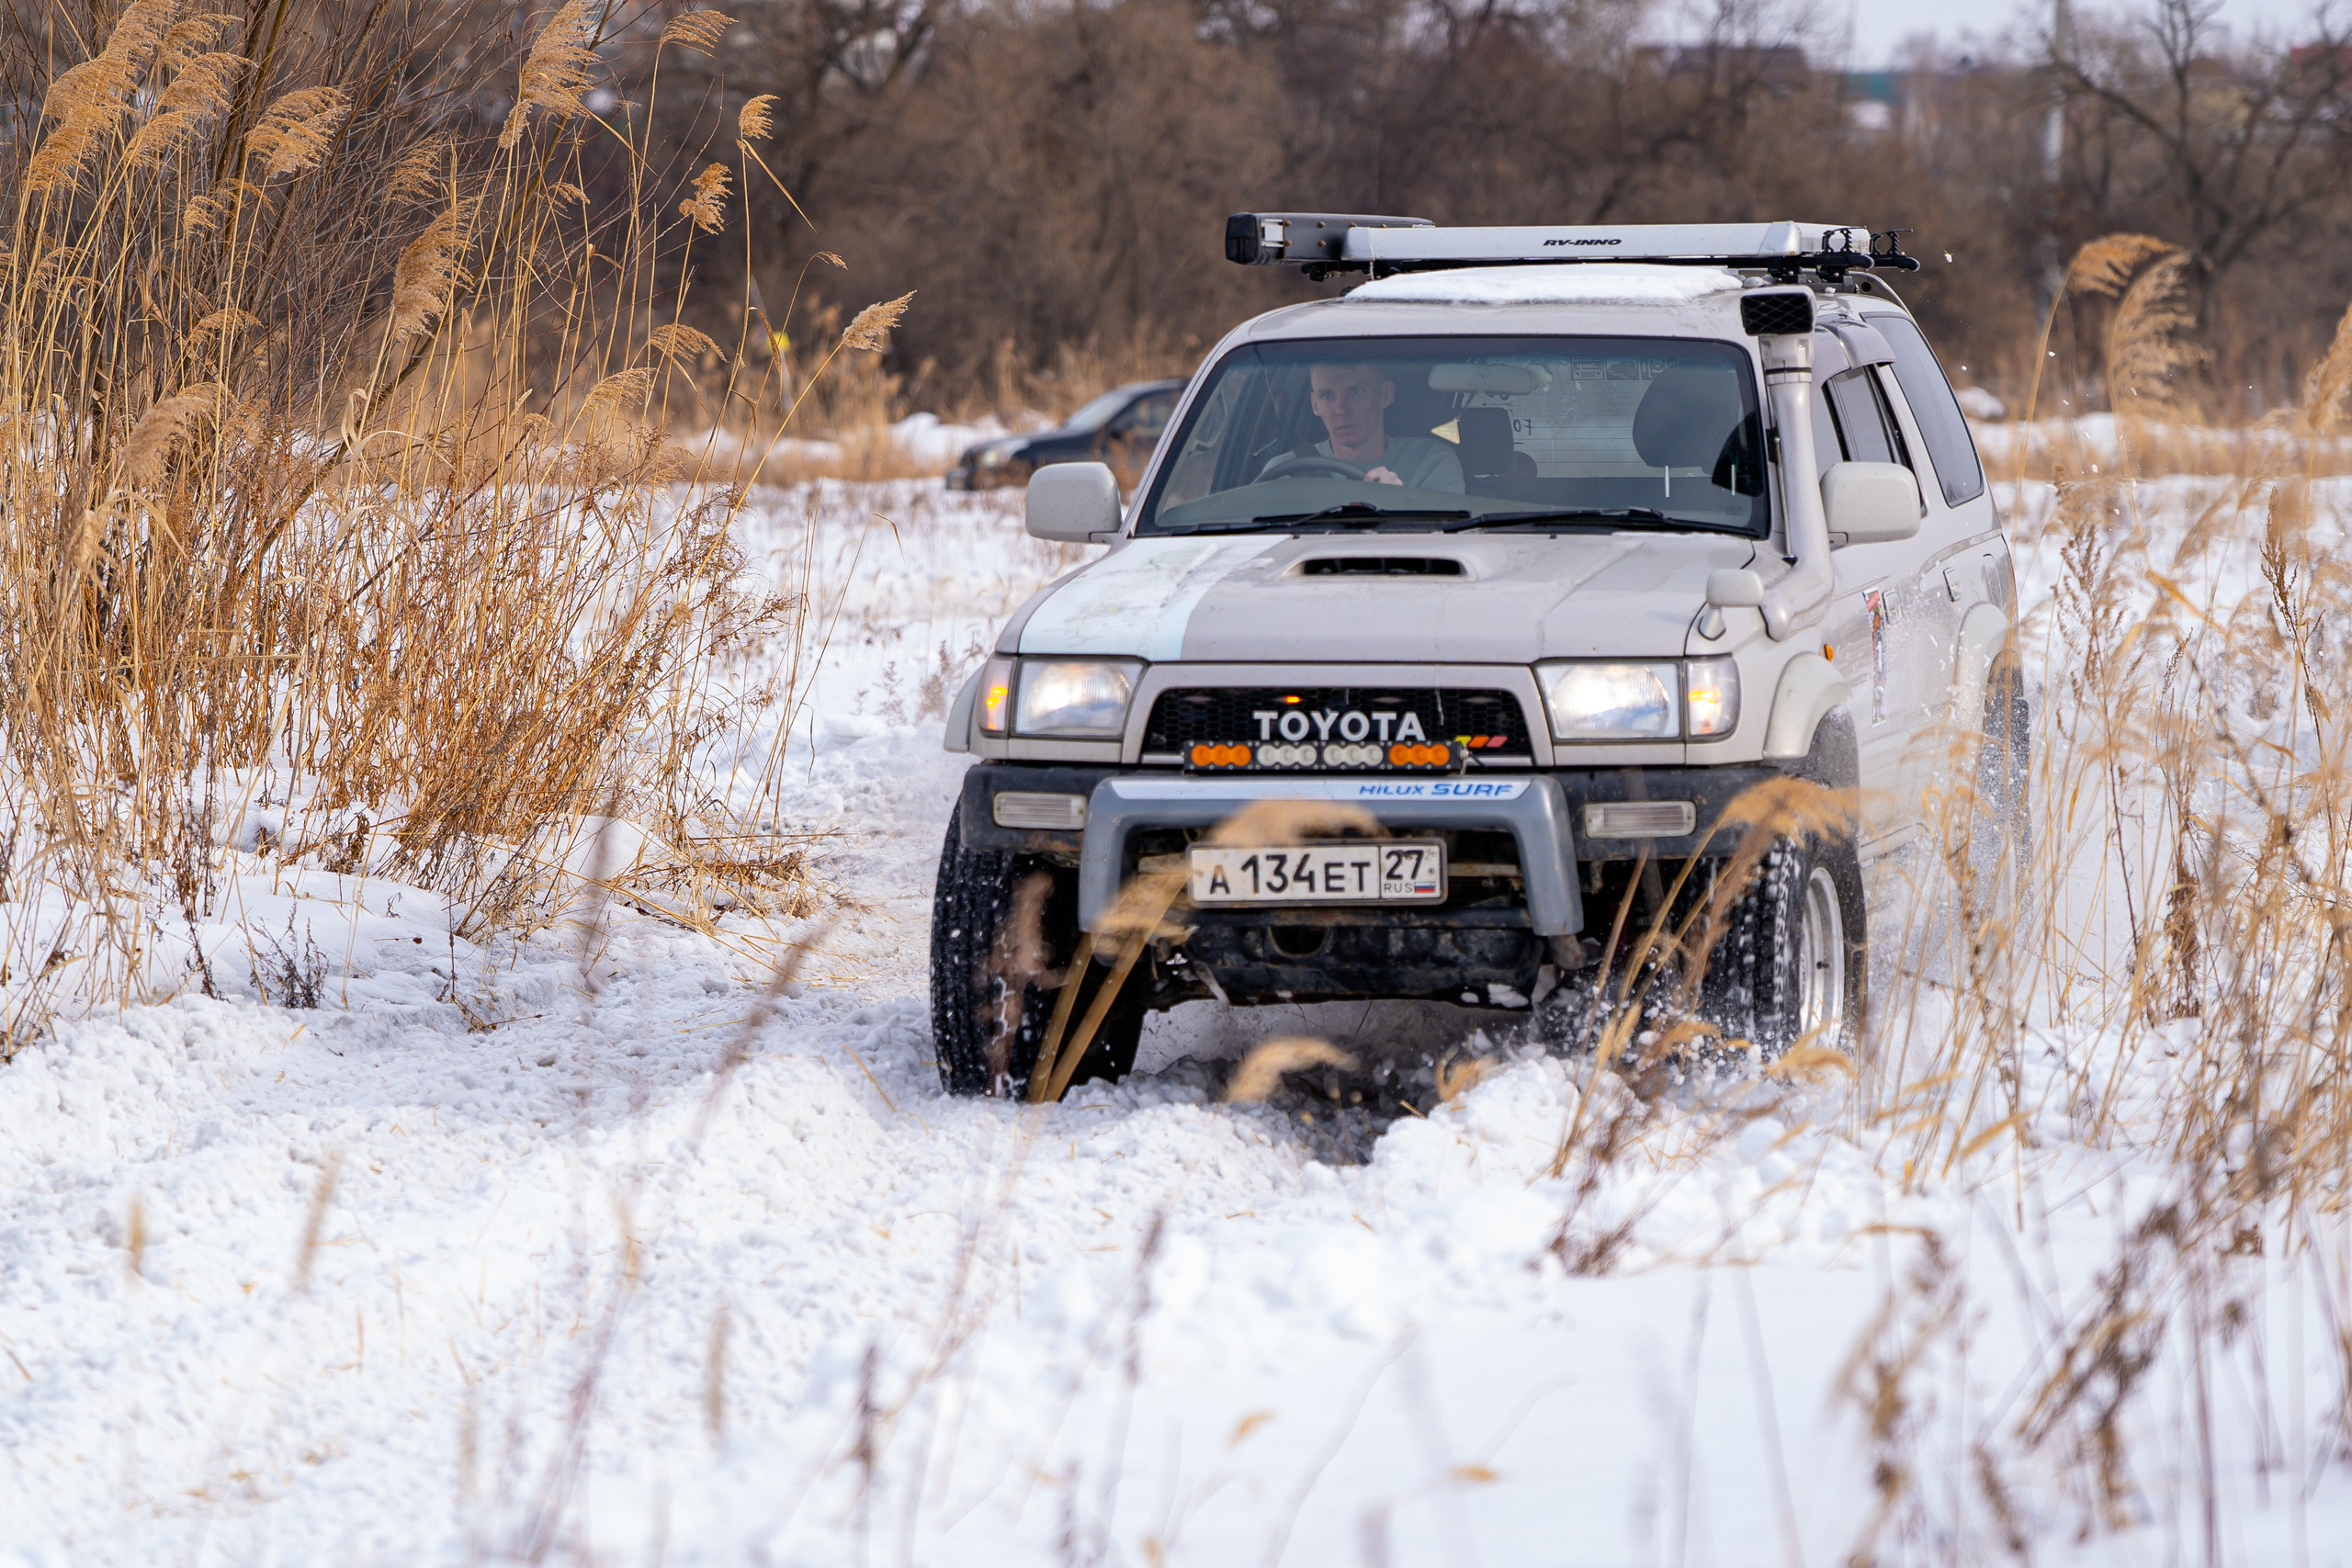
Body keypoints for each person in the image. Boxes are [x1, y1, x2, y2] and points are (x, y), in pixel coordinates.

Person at [1269, 362, 1464, 491]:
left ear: (1385, 394)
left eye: (1355, 391)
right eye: (1327, 396)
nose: (1341, 409)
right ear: (1315, 405)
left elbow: (1442, 545)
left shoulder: (1430, 463)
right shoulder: (1285, 473)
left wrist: (1401, 506)